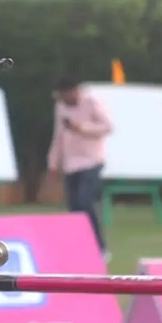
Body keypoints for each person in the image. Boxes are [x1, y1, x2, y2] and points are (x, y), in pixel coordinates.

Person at [46, 77, 113, 262]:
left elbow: (107, 126)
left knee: (86, 202)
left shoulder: (91, 102)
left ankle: (100, 248)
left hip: (91, 161)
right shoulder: (60, 106)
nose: (64, 100)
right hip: (71, 164)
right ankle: (81, 247)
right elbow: (58, 135)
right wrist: (53, 162)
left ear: (75, 91)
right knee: (74, 208)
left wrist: (81, 128)